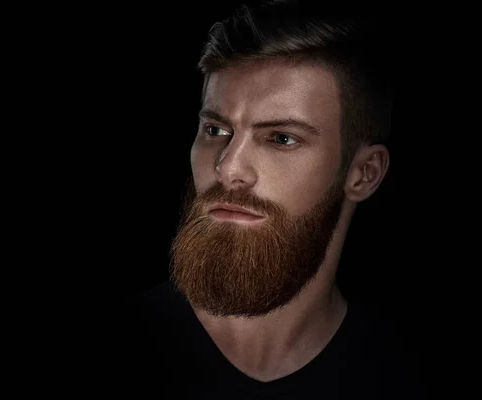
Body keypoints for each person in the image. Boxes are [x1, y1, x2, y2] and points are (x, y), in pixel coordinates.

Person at [122, 1, 426, 398]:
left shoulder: (407, 378)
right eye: (215, 130)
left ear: (363, 173)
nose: (228, 168)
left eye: (282, 138)